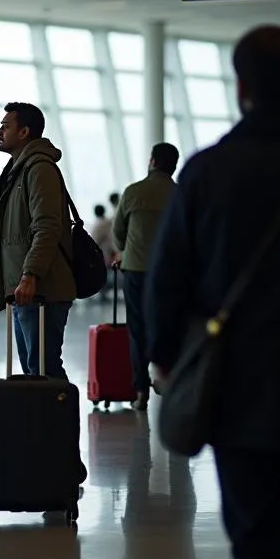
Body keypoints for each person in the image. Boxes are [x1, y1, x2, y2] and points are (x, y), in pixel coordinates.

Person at [147, 25, 280, 559]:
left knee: (254, 542)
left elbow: (167, 279)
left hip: (239, 391)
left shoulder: (207, 173)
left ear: (240, 88)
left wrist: (162, 358)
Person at [0, 102, 76, 379]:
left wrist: (30, 274)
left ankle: (59, 421)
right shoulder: (19, 170)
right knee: (32, 367)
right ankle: (44, 422)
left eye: (5, 126)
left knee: (43, 367)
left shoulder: (38, 169)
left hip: (42, 289)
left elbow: (47, 226)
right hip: (26, 290)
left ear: (24, 131)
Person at [113, 141, 179, 410]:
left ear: (152, 161)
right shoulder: (181, 194)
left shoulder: (133, 192)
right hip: (171, 273)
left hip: (137, 270)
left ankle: (140, 390)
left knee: (137, 329)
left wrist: (128, 251)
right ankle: (168, 379)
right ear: (173, 165)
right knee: (170, 326)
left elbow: (118, 233)